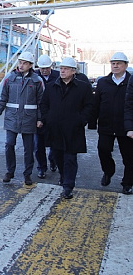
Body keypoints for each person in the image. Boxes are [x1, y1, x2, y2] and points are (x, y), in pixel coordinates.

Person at [40, 57, 93, 199]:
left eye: (65, 68)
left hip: (73, 129)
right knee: (57, 155)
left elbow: (89, 105)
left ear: (73, 71)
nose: (62, 71)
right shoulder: (52, 86)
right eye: (61, 68)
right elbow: (44, 104)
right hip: (55, 128)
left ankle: (68, 186)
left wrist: (81, 120)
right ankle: (64, 176)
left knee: (70, 157)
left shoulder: (83, 87)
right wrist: (48, 118)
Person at [0, 51, 44, 186]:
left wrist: (40, 119)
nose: (21, 65)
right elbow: (2, 97)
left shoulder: (37, 81)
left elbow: (41, 102)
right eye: (20, 62)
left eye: (24, 63)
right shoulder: (10, 78)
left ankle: (27, 175)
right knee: (9, 144)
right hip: (12, 117)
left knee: (29, 148)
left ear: (30, 65)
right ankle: (10, 171)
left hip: (29, 119)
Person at [90, 52, 133, 194]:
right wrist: (92, 122)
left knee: (128, 156)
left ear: (126, 65)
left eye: (119, 63)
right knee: (103, 150)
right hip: (106, 125)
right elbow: (95, 104)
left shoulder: (130, 82)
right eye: (113, 63)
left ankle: (127, 182)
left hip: (125, 126)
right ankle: (108, 171)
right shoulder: (103, 82)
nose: (115, 66)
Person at [34, 54, 60, 178]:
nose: (44, 70)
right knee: (39, 145)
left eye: (46, 68)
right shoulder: (34, 76)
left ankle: (53, 160)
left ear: (51, 67)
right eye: (42, 68)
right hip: (38, 115)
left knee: (54, 142)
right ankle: (41, 168)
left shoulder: (58, 76)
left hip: (53, 114)